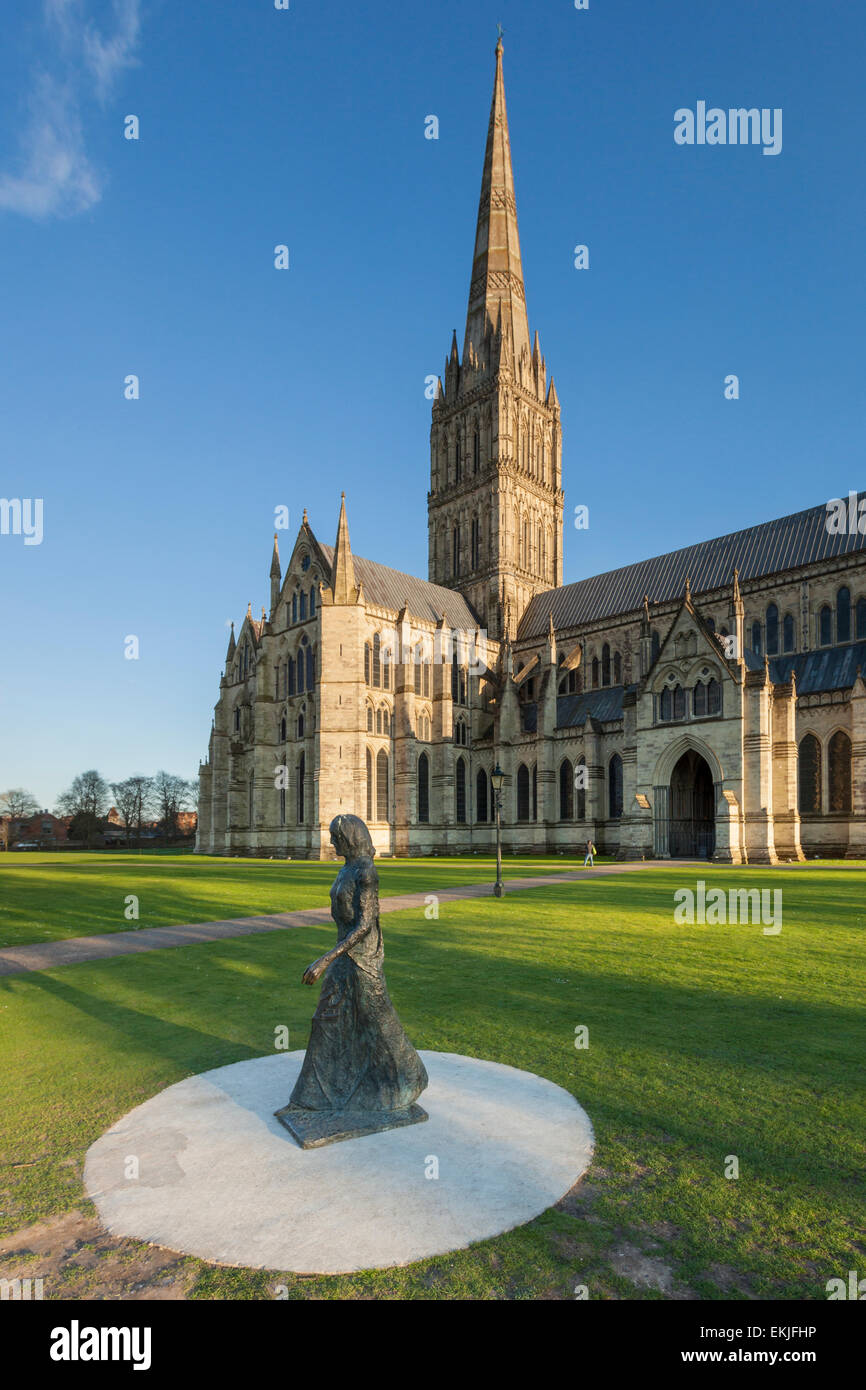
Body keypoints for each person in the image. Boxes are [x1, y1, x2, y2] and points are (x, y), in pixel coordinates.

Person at [275, 813, 428, 1141]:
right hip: (345, 957)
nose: (331, 842)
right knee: (326, 1023)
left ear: (350, 838)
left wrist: (324, 960)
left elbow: (365, 925)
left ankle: (408, 1081)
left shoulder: (366, 872)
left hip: (361, 962)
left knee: (378, 1026)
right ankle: (312, 1100)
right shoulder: (346, 868)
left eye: (335, 836)